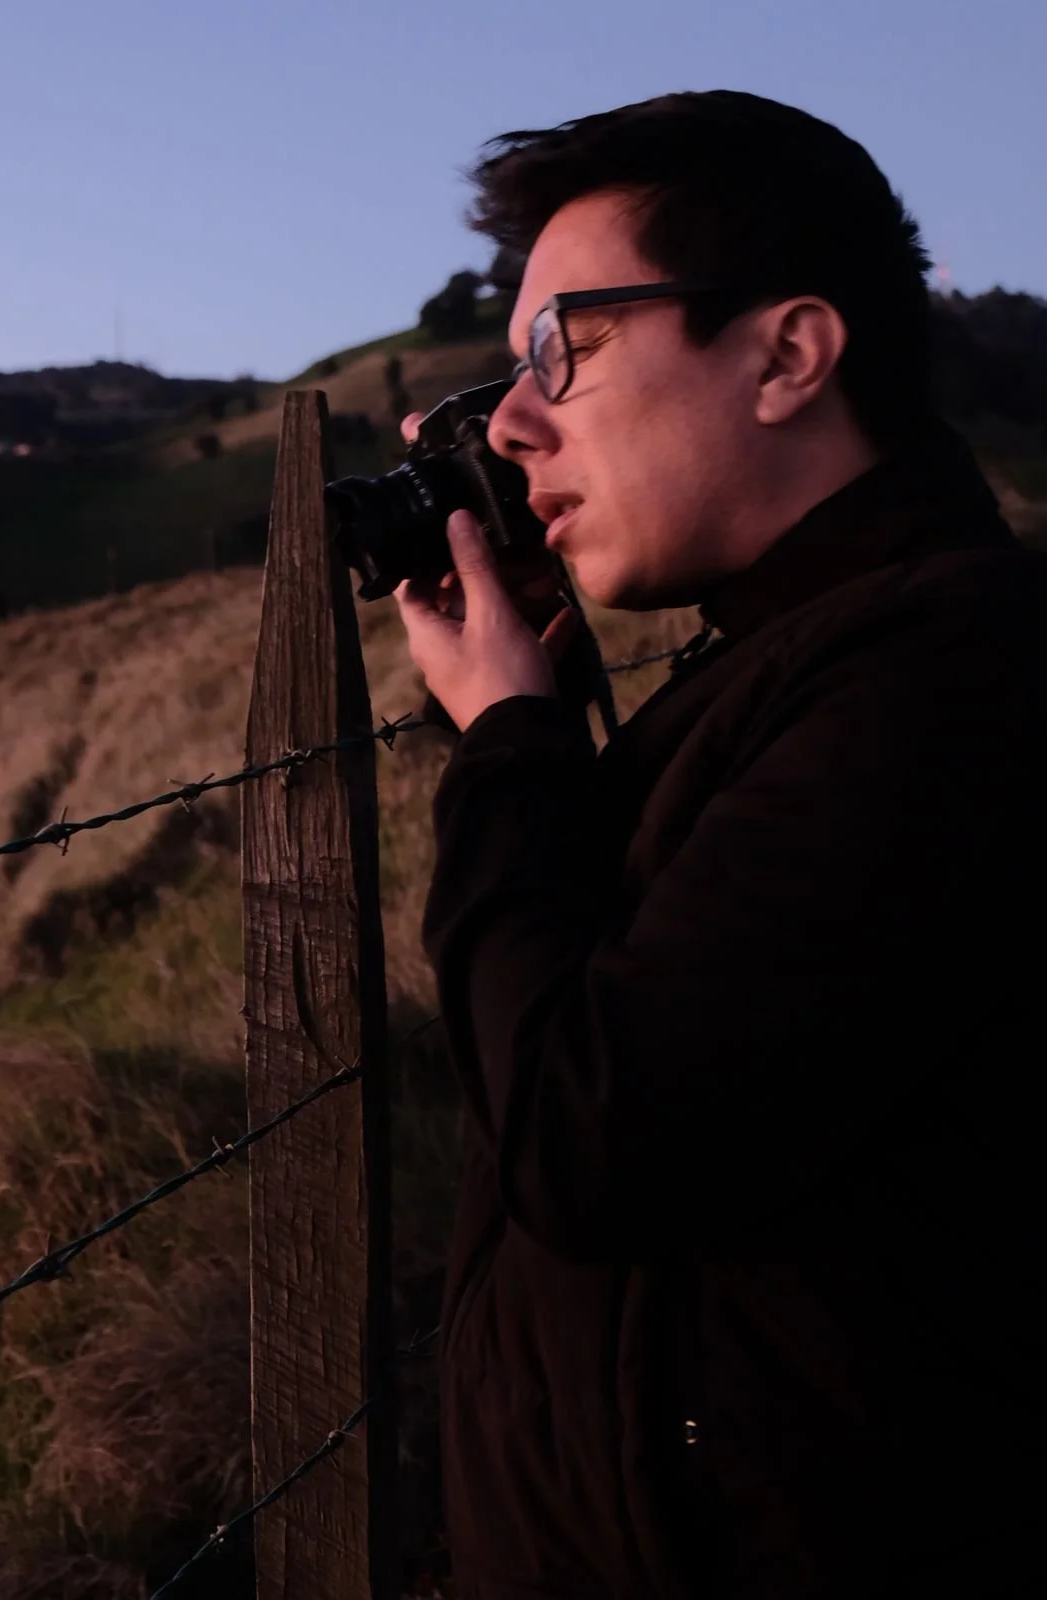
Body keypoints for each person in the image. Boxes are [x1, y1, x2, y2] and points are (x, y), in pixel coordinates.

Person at [392, 91, 1045, 1599]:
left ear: (787, 355)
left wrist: (511, 745)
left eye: (565, 347)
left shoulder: (949, 676)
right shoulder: (787, 667)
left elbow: (588, 1135)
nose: (513, 421)